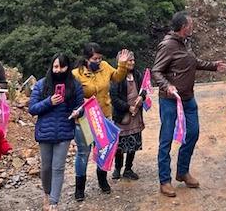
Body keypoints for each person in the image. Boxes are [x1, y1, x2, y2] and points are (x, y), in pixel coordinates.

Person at [152, 12, 226, 197]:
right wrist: (167, 86)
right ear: (183, 27)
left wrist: (213, 65)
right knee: (166, 139)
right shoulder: (168, 45)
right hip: (170, 101)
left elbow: (191, 63)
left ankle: (182, 172)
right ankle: (165, 181)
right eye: (190, 24)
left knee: (192, 133)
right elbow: (156, 71)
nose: (192, 26)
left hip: (188, 99)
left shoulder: (185, 42)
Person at [71, 43, 132, 199]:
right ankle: (79, 188)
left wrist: (122, 64)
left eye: (100, 58)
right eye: (94, 58)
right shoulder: (76, 74)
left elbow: (118, 77)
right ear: (86, 59)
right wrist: (81, 100)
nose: (98, 61)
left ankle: (102, 180)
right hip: (84, 120)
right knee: (83, 153)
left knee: (104, 150)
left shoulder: (104, 66)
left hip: (104, 117)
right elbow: (70, 95)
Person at [29, 53, 84, 211]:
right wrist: (49, 102)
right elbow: (32, 109)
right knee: (46, 167)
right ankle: (46, 194)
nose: (58, 70)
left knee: (58, 167)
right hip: (45, 132)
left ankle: (54, 202)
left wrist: (77, 112)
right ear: (51, 67)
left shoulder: (75, 85)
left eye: (62, 66)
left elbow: (80, 107)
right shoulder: (41, 85)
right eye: (55, 66)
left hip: (64, 132)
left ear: (68, 67)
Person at [109, 51, 146, 181]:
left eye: (133, 60)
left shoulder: (137, 75)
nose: (131, 62)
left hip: (135, 115)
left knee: (133, 143)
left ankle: (128, 169)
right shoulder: (117, 77)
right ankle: (117, 168)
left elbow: (144, 90)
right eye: (128, 60)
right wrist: (128, 107)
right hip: (122, 116)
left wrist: (141, 98)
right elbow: (114, 98)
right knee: (120, 145)